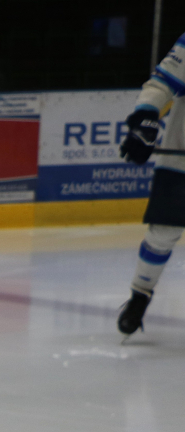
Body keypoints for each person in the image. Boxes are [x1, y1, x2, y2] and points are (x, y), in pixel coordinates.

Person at [118, 31, 185, 335]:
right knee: (163, 233)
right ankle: (140, 294)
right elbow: (162, 83)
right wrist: (146, 119)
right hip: (182, 160)